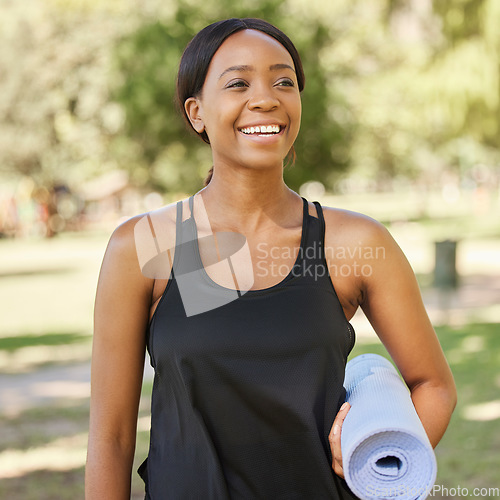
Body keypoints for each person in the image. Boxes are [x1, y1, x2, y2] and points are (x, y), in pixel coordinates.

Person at [85, 18, 457, 499]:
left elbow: (434, 386)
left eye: (284, 81)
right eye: (238, 83)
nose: (266, 98)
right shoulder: (146, 245)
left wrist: (378, 466)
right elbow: (110, 438)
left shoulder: (354, 242)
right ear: (196, 112)